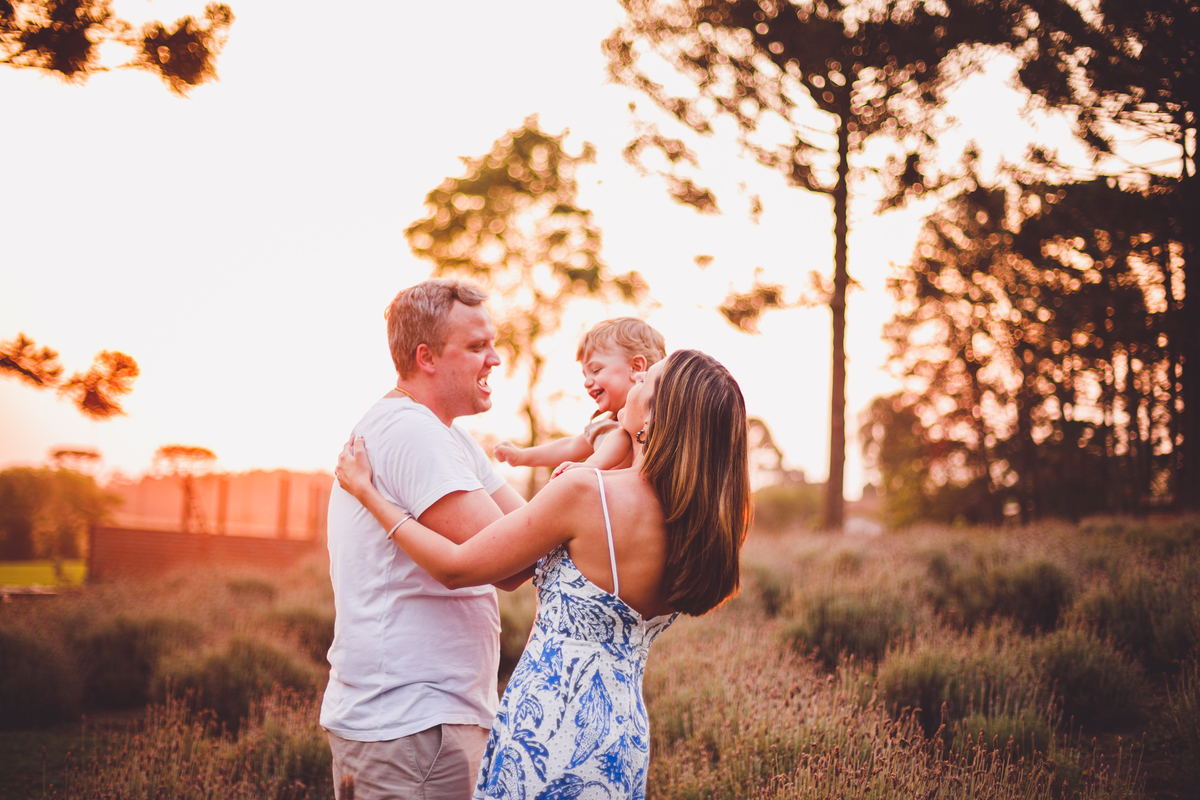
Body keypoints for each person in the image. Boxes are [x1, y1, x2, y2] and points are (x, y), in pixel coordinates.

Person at [336, 349, 751, 799]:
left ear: (654, 418)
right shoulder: (697, 527)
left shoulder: (586, 492)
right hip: (622, 737)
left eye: (644, 381)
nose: (630, 385)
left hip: (547, 728)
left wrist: (372, 496)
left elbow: (457, 568)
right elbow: (524, 536)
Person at [321, 278, 530, 800]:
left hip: (429, 720)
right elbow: (508, 558)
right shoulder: (411, 433)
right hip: (409, 725)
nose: (495, 360)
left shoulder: (448, 436)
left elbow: (527, 539)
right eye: (478, 347)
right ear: (427, 357)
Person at [493, 317, 666, 478]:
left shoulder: (653, 417)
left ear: (636, 367)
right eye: (585, 374)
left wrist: (590, 466)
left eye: (596, 370)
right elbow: (570, 447)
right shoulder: (607, 424)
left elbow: (622, 439)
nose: (587, 382)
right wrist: (521, 456)